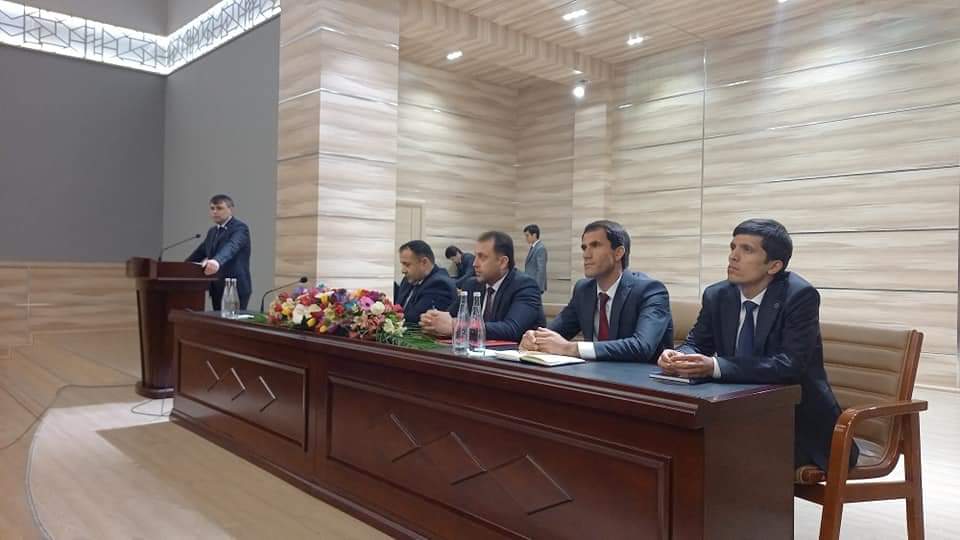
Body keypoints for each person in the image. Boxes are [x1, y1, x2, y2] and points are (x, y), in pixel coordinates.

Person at [658, 218, 858, 471]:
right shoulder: (718, 295)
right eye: (733, 247)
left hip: (795, 423)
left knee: (717, 456)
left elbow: (789, 365)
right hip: (735, 413)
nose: (733, 256)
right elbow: (696, 343)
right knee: (675, 444)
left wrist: (715, 367)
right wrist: (678, 356)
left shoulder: (799, 296)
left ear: (774, 265)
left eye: (747, 250)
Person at [520, 220, 672, 362]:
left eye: (595, 245)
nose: (586, 255)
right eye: (584, 247)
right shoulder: (583, 290)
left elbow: (642, 346)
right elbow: (556, 332)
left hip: (638, 378)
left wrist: (570, 348)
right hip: (591, 375)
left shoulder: (650, 291)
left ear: (618, 253)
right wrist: (535, 338)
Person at [422, 231, 544, 342]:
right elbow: (450, 316)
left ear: (502, 262)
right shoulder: (471, 285)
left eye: (482, 257)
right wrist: (434, 320)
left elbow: (511, 329)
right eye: (475, 256)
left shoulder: (525, 286)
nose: (475, 264)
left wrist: (457, 326)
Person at [186, 194, 252, 310]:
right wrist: (183, 266)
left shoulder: (240, 228)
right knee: (217, 320)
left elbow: (232, 247)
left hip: (235, 288)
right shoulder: (212, 232)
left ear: (230, 210)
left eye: (219, 208)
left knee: (231, 322)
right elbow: (200, 252)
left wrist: (216, 261)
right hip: (216, 286)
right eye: (212, 208)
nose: (215, 212)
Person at [396, 240, 456, 326]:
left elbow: (414, 321)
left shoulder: (440, 285)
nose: (403, 270)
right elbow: (397, 309)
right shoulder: (408, 280)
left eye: (407, 264)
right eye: (402, 264)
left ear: (424, 262)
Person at [523, 224, 548, 294]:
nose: (526, 238)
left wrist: (537, 287)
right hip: (530, 284)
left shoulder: (540, 248)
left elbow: (541, 270)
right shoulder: (534, 247)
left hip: (535, 285)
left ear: (534, 235)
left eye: (527, 235)